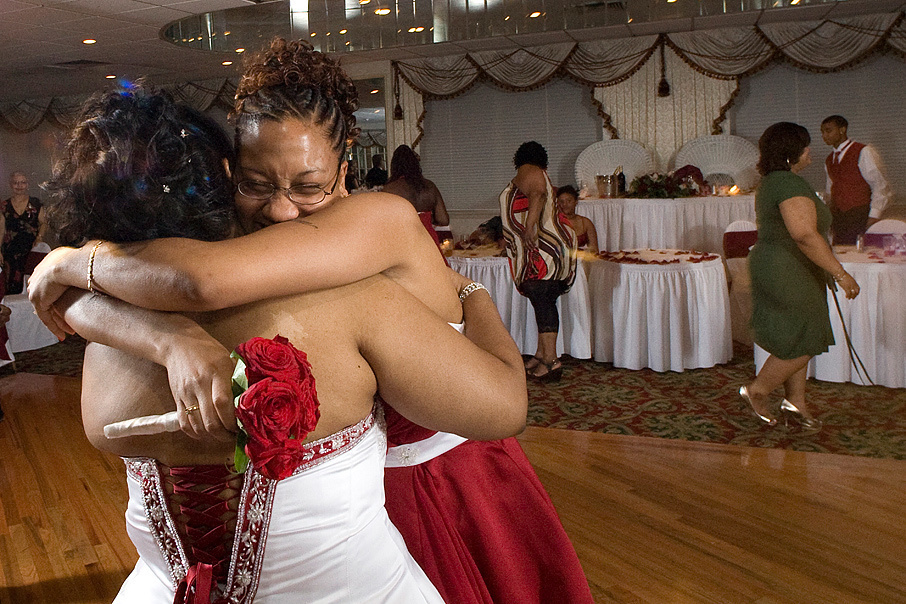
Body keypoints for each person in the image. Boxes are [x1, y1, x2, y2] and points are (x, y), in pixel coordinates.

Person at [30, 39, 594, 604]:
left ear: (344, 172)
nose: (280, 209)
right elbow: (162, 286)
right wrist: (161, 335)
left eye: (308, 186)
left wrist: (75, 260)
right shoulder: (256, 255)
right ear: (230, 172)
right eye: (255, 183)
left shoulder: (378, 218)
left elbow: (199, 281)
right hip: (345, 506)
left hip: (440, 482)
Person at [741, 122, 860, 431]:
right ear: (791, 152)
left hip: (786, 265)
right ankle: (758, 390)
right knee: (809, 335)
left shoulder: (776, 181)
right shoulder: (788, 184)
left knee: (797, 336)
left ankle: (796, 403)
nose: (810, 150)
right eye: (805, 146)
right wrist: (840, 273)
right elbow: (804, 234)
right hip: (787, 267)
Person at [500, 141, 577, 381]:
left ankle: (551, 361)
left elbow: (537, 195)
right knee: (543, 301)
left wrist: (531, 226)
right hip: (545, 248)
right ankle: (542, 353)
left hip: (542, 249)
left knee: (543, 301)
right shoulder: (536, 172)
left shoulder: (529, 171)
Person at [820, 115, 892, 244]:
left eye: (828, 131)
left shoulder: (863, 151)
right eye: (822, 132)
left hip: (860, 213)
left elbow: (879, 185)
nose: (824, 135)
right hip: (839, 216)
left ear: (842, 130)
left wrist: (874, 215)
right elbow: (831, 188)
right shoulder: (829, 159)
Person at [382, 144, 450, 249]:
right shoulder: (430, 186)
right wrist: (425, 219)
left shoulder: (390, 189)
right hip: (428, 239)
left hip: (404, 241)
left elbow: (385, 221)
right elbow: (443, 220)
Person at [2, 171, 45, 294]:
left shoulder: (36, 203)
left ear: (27, 184)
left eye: (22, 182)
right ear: (11, 184)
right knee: (11, 287)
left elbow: (43, 223)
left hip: (31, 249)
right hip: (10, 252)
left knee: (33, 285)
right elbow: (1, 229)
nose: (19, 186)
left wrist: (39, 238)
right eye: (16, 183)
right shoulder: (4, 205)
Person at [557, 185, 599, 254]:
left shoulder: (586, 223)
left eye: (568, 201)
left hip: (582, 261)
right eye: (561, 201)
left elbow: (594, 250)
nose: (565, 204)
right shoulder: (555, 222)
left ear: (576, 201)